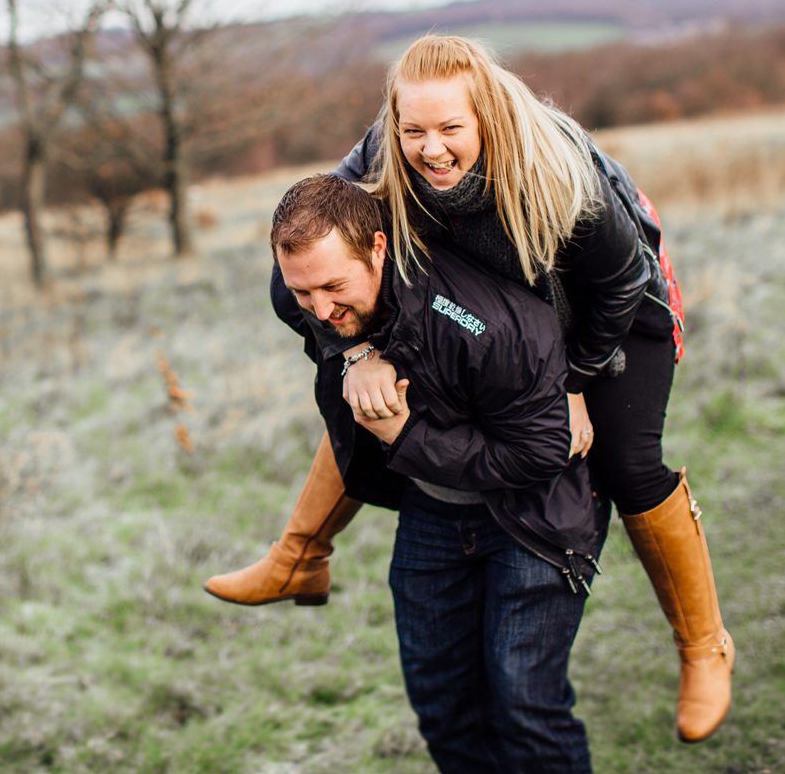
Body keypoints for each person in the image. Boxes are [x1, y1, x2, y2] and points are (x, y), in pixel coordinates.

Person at [205, 36, 734, 743]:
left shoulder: (553, 170)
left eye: (451, 128)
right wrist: (356, 350)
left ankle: (703, 646)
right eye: (413, 129)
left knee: (625, 462)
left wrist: (575, 381)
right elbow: (313, 233)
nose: (430, 148)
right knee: (363, 392)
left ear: (484, 115)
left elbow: (616, 282)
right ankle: (301, 554)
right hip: (497, 313)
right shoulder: (384, 149)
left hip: (612, 311)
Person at [268, 173, 604, 773]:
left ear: (378, 247)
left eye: (332, 288)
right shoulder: (304, 281)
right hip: (433, 512)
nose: (320, 309)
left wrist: (403, 437)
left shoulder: (492, 328)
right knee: (441, 704)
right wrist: (357, 351)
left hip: (531, 517)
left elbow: (536, 455)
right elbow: (310, 303)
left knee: (524, 704)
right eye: (303, 294)